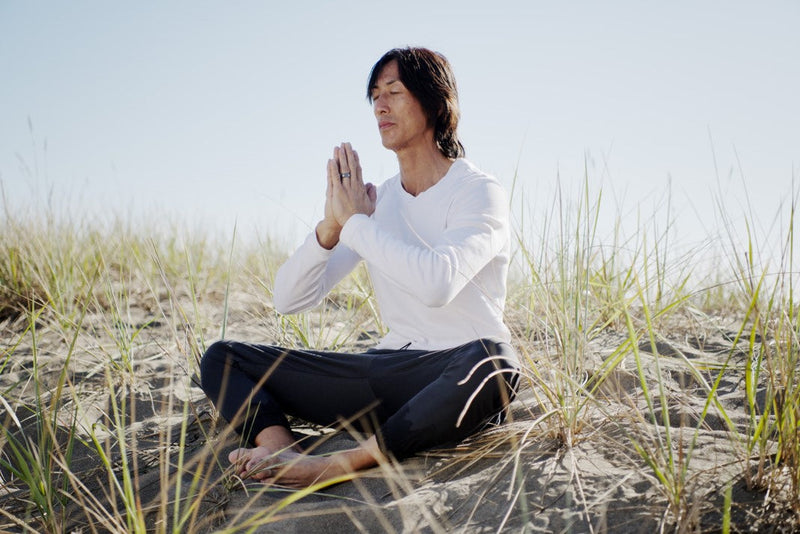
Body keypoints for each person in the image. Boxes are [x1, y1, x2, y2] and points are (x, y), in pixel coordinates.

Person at [200, 47, 520, 489]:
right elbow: (288, 299)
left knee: (496, 363)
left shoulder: (478, 192)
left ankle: (337, 464)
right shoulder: (377, 203)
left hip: (452, 378)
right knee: (223, 357)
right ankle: (279, 447)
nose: (380, 106)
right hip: (384, 374)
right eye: (374, 96)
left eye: (394, 92)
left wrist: (356, 224)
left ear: (434, 101)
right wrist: (332, 227)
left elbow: (438, 284)